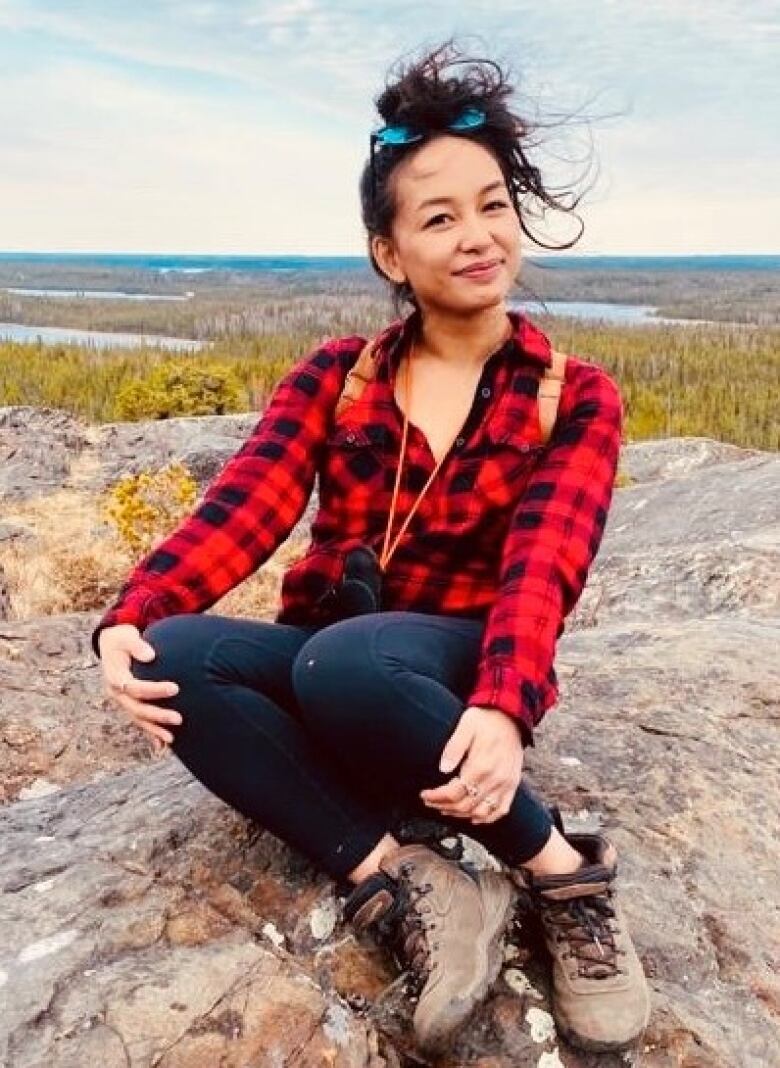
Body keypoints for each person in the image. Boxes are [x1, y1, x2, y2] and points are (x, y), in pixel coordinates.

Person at [92, 39, 651, 1057]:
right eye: (439, 217)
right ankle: (399, 878)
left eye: (493, 205)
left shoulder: (571, 396)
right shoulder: (338, 376)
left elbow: (543, 568)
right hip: (331, 661)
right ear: (390, 254)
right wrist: (132, 612)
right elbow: (247, 504)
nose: (479, 235)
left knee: (347, 660)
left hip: (442, 675)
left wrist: (503, 705)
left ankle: (561, 867)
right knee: (174, 656)